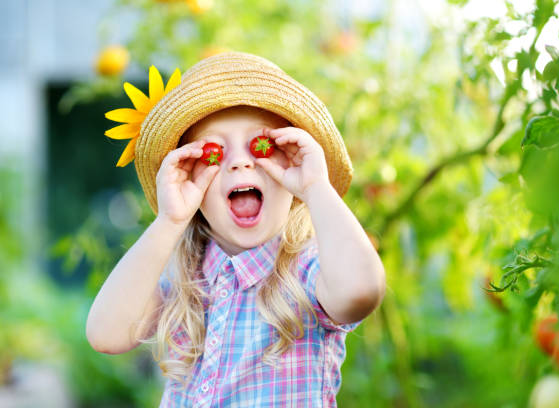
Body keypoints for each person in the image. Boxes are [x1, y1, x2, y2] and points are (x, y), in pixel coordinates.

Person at [86, 51, 386, 407]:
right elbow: (106, 334)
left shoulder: (307, 273)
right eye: (214, 152)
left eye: (264, 146)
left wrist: (315, 187)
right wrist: (169, 220)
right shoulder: (185, 279)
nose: (242, 161)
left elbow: (362, 291)